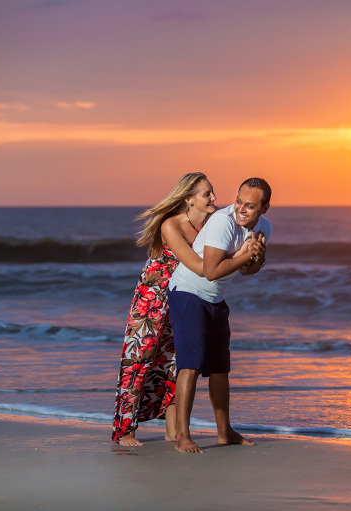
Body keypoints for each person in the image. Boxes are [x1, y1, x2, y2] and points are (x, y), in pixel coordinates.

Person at [112, 172, 219, 446]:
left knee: (174, 360)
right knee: (139, 356)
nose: (213, 198)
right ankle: (125, 430)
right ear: (189, 199)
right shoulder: (170, 225)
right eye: (206, 194)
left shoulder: (211, 222)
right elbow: (198, 265)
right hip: (154, 295)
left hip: (184, 295)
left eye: (212, 193)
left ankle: (173, 429)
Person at [167, 177, 272, 453]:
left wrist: (257, 259)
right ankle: (182, 436)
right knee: (190, 363)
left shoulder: (264, 227)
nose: (241, 209)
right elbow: (211, 270)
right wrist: (243, 254)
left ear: (265, 208)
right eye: (238, 201)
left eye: (250, 206)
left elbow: (247, 269)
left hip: (215, 299)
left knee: (220, 368)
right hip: (188, 292)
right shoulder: (222, 223)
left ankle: (224, 432)